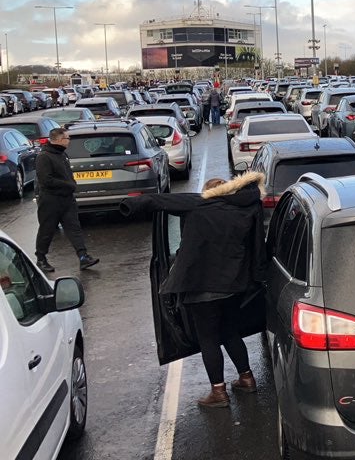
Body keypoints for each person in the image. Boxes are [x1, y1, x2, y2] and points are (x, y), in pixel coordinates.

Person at [120, 172, 267, 408]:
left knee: (207, 338)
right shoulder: (246, 209)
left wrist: (130, 204)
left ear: (209, 193)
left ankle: (218, 392)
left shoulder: (199, 204)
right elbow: (258, 247)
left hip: (201, 287)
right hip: (233, 286)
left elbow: (160, 201)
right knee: (230, 332)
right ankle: (246, 378)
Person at [34, 128, 99, 272]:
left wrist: (71, 184)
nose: (69, 141)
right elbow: (46, 180)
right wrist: (68, 184)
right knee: (47, 230)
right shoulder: (44, 157)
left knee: (74, 228)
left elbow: (67, 174)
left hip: (67, 199)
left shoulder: (62, 155)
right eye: (67, 138)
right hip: (50, 200)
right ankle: (41, 259)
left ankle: (83, 257)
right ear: (58, 140)